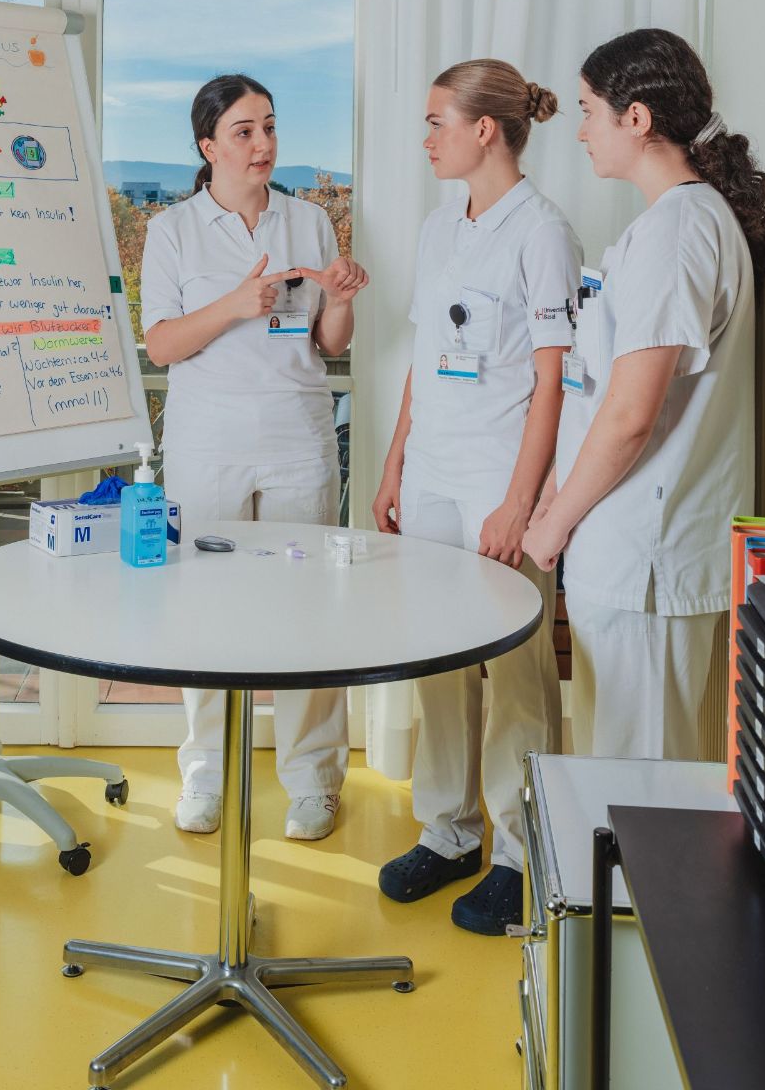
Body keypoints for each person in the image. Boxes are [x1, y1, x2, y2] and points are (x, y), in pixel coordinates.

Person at [521, 28, 765, 762]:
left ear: (636, 119)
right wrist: (559, 494)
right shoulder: (666, 226)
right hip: (632, 552)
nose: (579, 131)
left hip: (649, 563)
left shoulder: (680, 230)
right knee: (630, 783)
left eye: (588, 111)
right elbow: (608, 396)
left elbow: (632, 416)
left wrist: (552, 523)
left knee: (642, 799)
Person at [374, 58, 582, 936]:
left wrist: (520, 502)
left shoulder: (543, 231)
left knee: (518, 672)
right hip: (430, 474)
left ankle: (520, 853)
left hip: (500, 480)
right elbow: (425, 362)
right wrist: (391, 466)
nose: (425, 139)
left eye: (436, 122)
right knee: (437, 659)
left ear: (484, 129)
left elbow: (553, 382)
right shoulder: (437, 228)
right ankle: (449, 830)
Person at [140, 74, 369, 841]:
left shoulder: (310, 222)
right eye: (244, 131)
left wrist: (339, 299)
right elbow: (163, 343)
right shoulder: (174, 230)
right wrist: (236, 304)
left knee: (309, 610)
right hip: (207, 444)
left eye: (269, 127)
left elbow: (331, 346)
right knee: (204, 610)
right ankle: (205, 773)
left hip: (299, 439)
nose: (264, 144)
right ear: (208, 147)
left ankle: (312, 780)